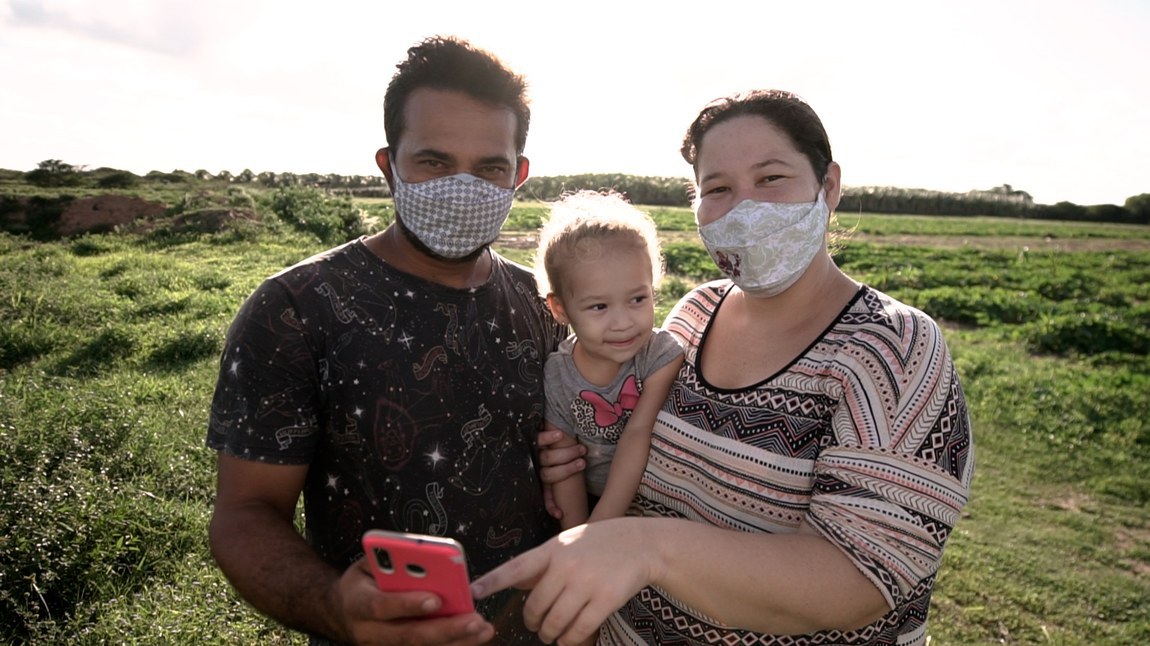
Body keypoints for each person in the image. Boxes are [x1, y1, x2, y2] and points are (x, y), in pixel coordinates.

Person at [472, 89, 974, 646]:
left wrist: (645, 548)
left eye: (771, 178)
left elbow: (860, 581)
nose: (743, 208)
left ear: (828, 186)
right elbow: (631, 439)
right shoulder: (693, 315)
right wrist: (578, 457)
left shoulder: (894, 348)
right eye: (717, 189)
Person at [206, 35, 567, 646]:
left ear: (519, 176)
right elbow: (244, 514)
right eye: (434, 162)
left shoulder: (548, 303)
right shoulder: (295, 309)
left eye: (489, 167)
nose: (462, 187)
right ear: (388, 167)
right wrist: (334, 607)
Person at [534, 190, 684, 529]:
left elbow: (637, 433)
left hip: (650, 514)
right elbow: (565, 463)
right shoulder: (558, 373)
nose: (623, 322)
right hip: (591, 509)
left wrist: (596, 531)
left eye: (637, 299)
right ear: (560, 309)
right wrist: (575, 538)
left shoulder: (660, 355)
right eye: (599, 306)